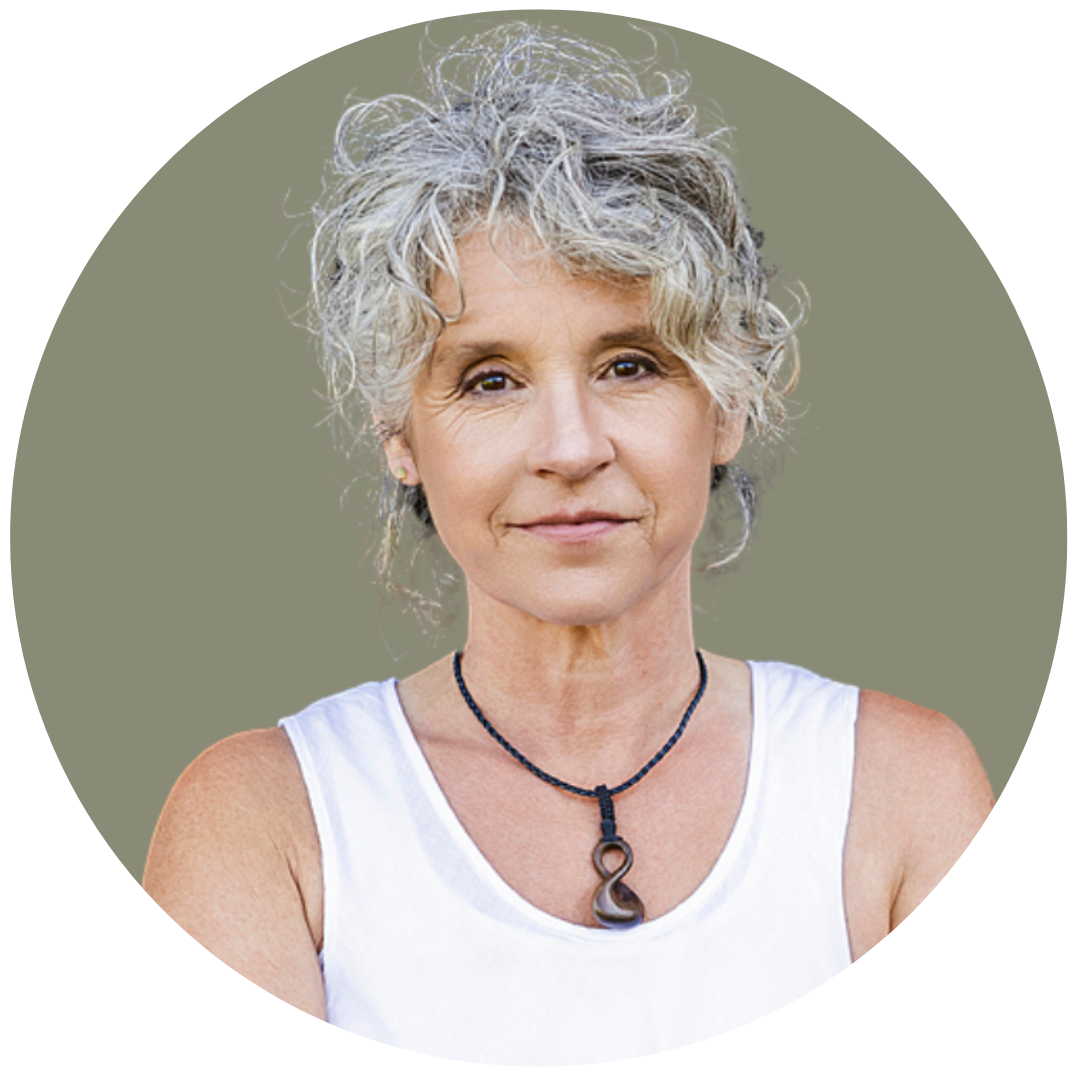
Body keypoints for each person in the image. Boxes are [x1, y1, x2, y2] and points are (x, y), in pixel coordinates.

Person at [141, 21, 995, 1065]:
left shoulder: (916, 784)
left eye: (630, 365)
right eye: (490, 380)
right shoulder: (257, 818)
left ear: (727, 404)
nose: (571, 447)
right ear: (402, 438)